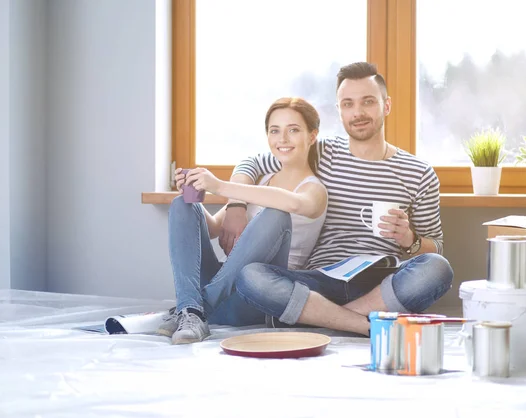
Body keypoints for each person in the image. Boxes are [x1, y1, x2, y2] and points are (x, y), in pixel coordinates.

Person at [222, 62, 454, 337]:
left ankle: (324, 319)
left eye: (368, 102)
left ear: (386, 105)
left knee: (437, 269)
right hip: (319, 280)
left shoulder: (419, 173)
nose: (358, 113)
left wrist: (409, 239)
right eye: (348, 104)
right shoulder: (320, 152)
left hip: (378, 282)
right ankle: (357, 322)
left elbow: (435, 248)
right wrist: (235, 205)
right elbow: (253, 162)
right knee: (251, 276)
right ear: (339, 110)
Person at [160, 97, 328, 344]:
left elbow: (292, 203)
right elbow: (215, 228)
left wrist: (220, 185)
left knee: (276, 214)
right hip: (224, 290)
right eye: (275, 131)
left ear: (312, 136)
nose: (282, 139)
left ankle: (193, 307)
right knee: (182, 204)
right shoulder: (261, 181)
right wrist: (191, 190)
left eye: (293, 130)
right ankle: (192, 308)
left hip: (257, 293)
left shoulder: (315, 190)